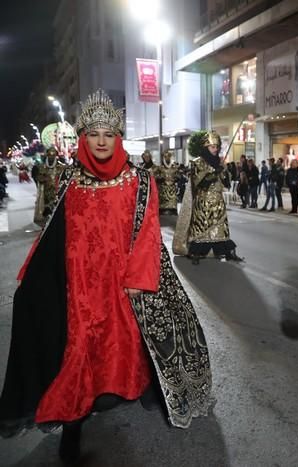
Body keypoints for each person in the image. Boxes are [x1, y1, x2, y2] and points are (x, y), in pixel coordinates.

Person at [0, 90, 212, 460]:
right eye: (94, 133)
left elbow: (147, 234)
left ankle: (133, 389)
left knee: (125, 345)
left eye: (108, 134)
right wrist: (30, 271)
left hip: (122, 283)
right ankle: (73, 418)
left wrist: (137, 281)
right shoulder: (70, 180)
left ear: (117, 138)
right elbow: (53, 231)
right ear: (84, 137)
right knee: (79, 347)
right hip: (79, 284)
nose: (101, 141)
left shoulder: (139, 181)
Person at [172, 130, 243, 263]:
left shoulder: (219, 162)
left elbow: (226, 183)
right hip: (203, 202)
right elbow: (199, 183)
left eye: (217, 147)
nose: (215, 149)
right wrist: (214, 172)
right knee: (202, 228)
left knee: (220, 229)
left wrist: (224, 171)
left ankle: (228, 252)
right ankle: (196, 253)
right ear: (206, 147)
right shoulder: (198, 163)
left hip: (218, 201)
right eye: (212, 147)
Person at [33, 147, 65, 226]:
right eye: (50, 155)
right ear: (47, 155)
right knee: (46, 207)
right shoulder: (41, 166)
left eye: (53, 155)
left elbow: (65, 178)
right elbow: (36, 176)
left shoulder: (61, 167)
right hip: (45, 191)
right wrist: (42, 179)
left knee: (56, 207)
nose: (51, 157)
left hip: (57, 191)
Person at [153, 150, 180, 215]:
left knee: (173, 203)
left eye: (168, 156)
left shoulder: (174, 167)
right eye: (165, 157)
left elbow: (179, 176)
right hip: (163, 190)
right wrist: (161, 178)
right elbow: (154, 176)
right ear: (163, 158)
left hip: (172, 189)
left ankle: (173, 213)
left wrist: (175, 178)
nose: (167, 158)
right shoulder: (160, 168)